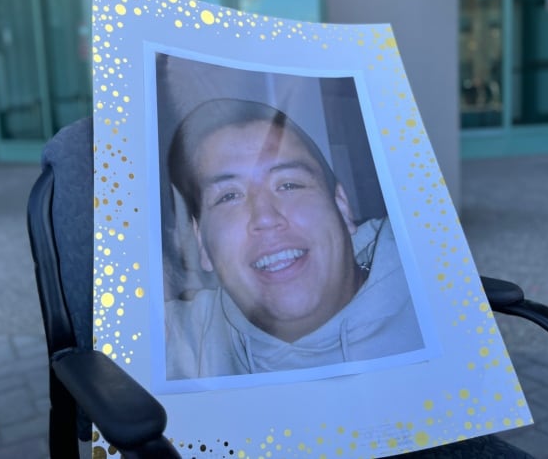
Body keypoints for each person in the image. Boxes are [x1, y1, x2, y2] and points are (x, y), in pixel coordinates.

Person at [165, 98, 423, 379]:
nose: (264, 217)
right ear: (201, 243)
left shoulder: (439, 289)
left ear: (342, 205)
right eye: (229, 196)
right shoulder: (174, 345)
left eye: (289, 184)